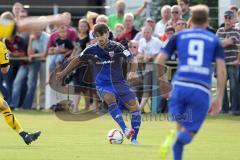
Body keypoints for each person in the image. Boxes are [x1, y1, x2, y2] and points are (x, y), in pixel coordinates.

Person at [155, 5, 227, 160]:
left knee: (180, 127)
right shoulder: (214, 40)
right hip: (200, 90)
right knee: (187, 134)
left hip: (179, 87)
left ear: (190, 20)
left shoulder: (178, 36)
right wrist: (219, 98)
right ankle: (177, 140)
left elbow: (158, 61)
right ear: (207, 21)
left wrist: (163, 86)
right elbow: (221, 70)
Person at [56, 23, 141, 145]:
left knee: (135, 107)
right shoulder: (91, 49)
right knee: (109, 98)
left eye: (101, 35)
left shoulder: (117, 47)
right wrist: (63, 72)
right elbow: (77, 60)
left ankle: (134, 139)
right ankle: (125, 129)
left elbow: (132, 59)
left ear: (107, 33)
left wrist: (133, 72)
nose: (100, 38)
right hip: (103, 85)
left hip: (119, 83)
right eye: (96, 36)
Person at [0, 39, 41, 145]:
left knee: (4, 106)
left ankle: (24, 135)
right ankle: (24, 135)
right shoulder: (1, 46)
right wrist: (6, 60)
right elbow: (5, 70)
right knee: (4, 106)